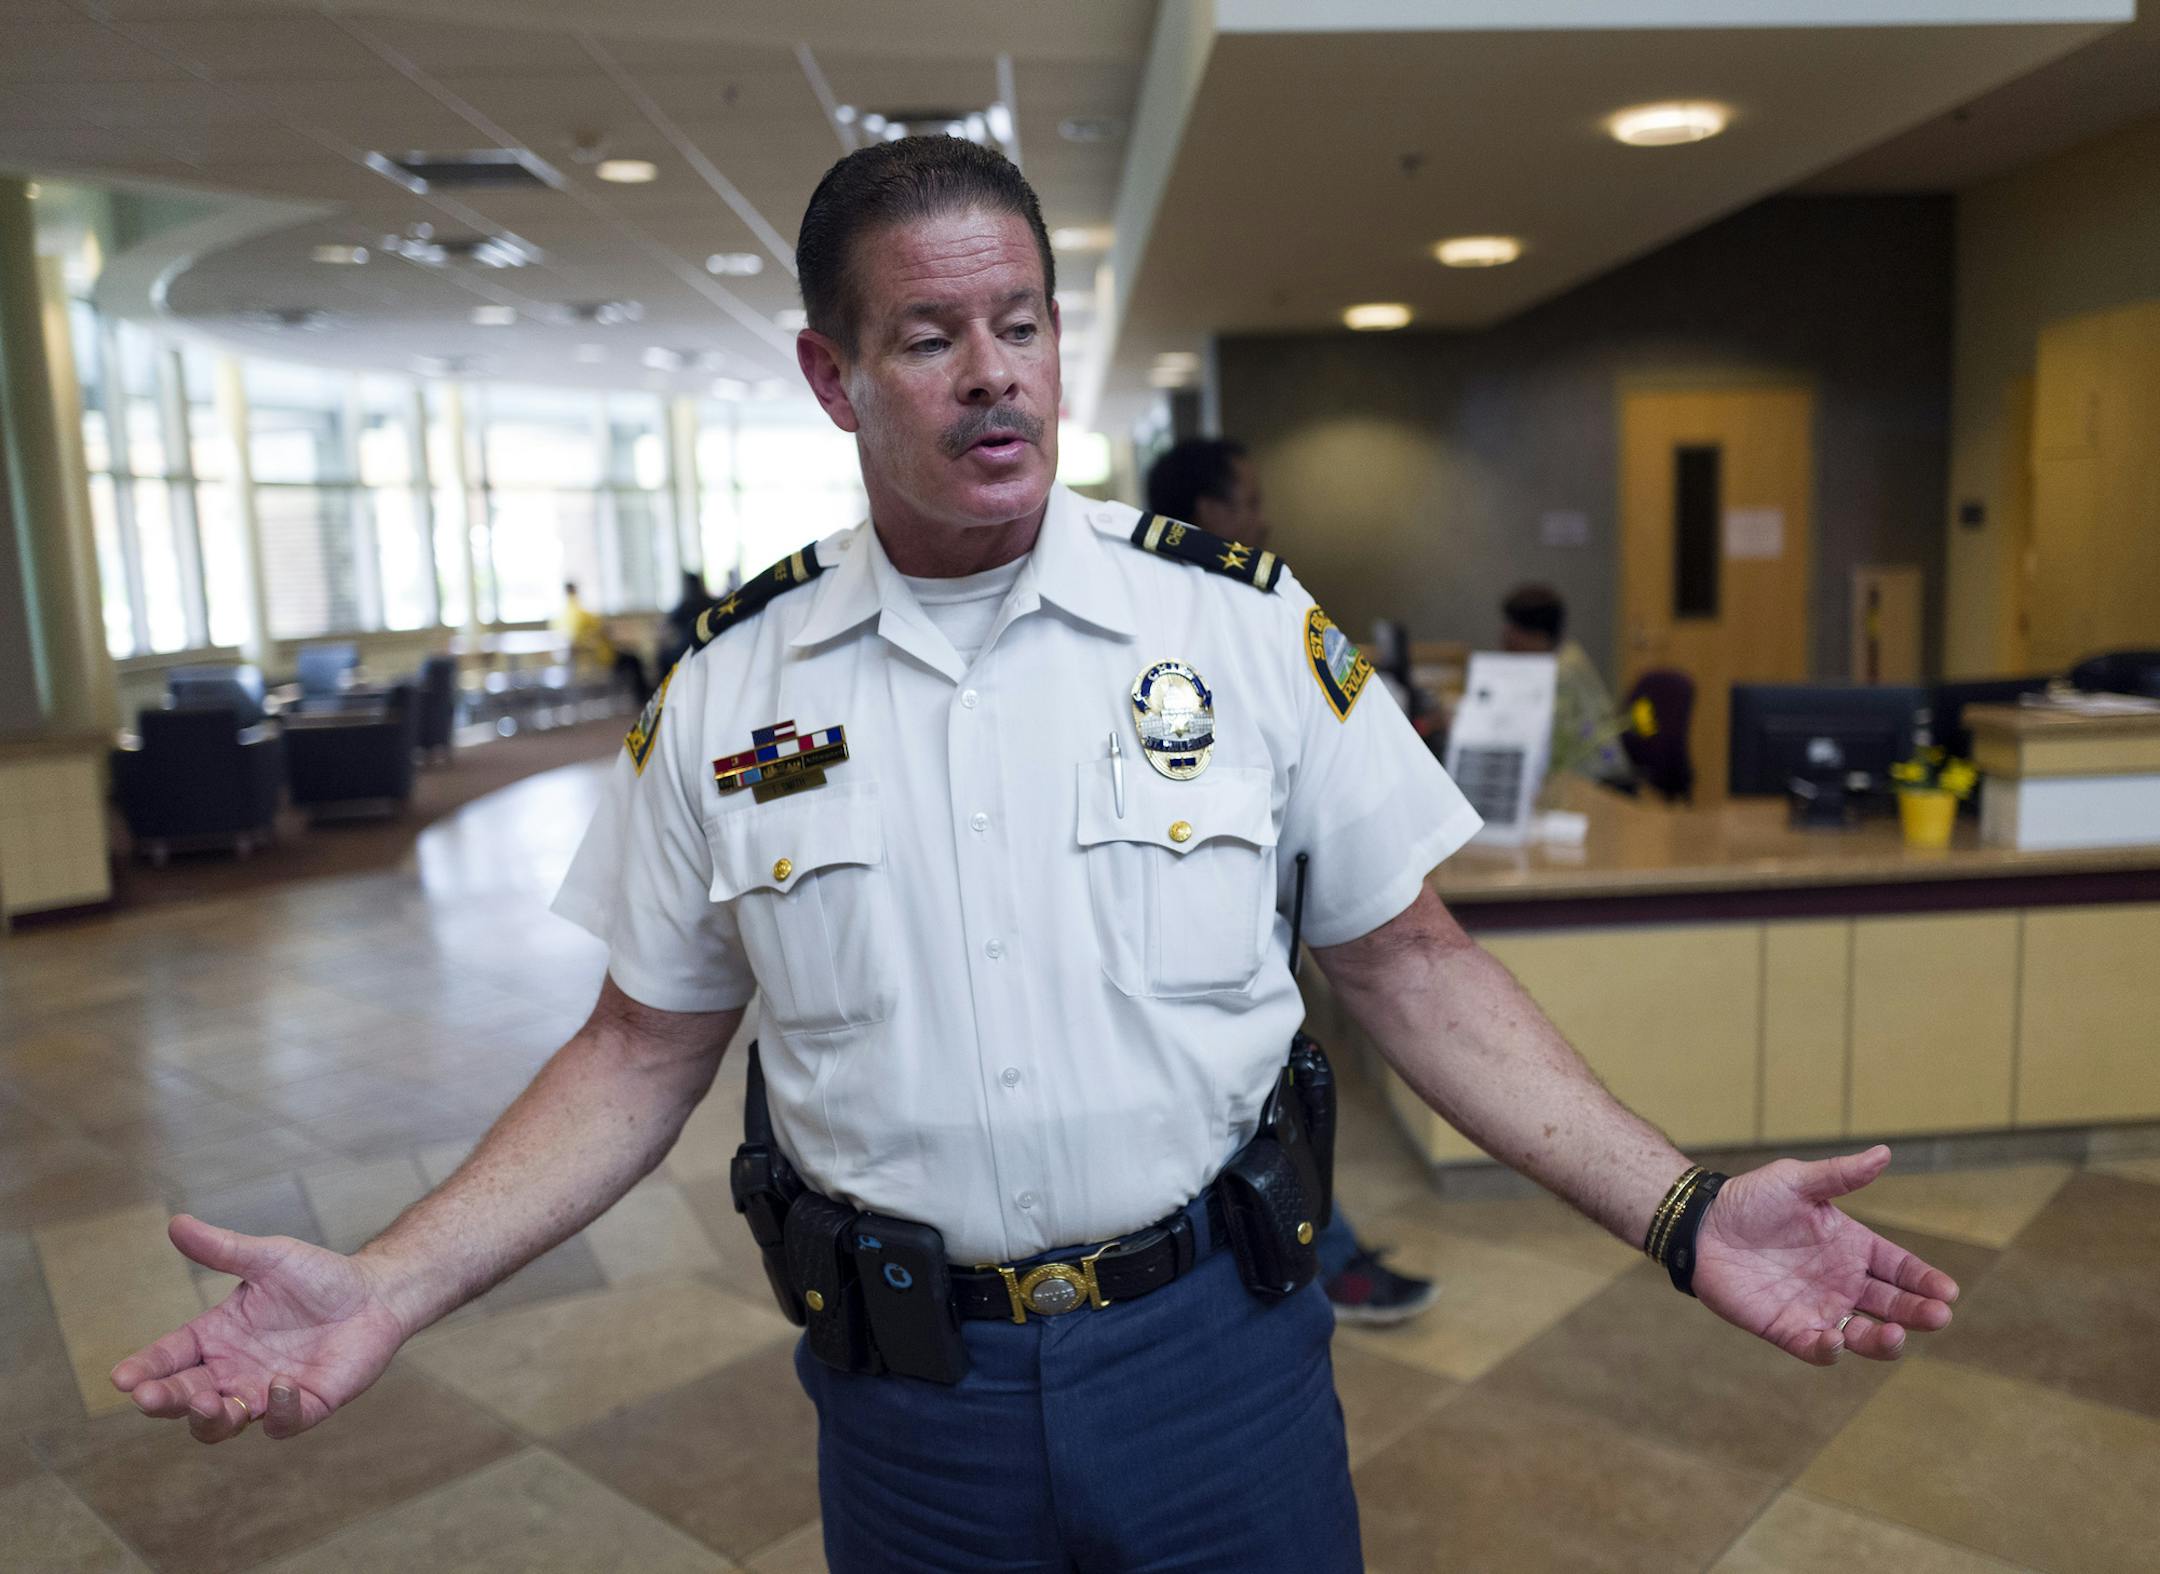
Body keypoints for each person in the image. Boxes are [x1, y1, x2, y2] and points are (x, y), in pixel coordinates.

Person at [110, 137, 1959, 1572]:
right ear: (834, 377)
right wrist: (391, 1276)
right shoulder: (730, 692)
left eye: (1023, 325)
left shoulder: (1235, 629)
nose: (994, 377)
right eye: (929, 337)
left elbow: (1420, 968)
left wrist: (1685, 1206)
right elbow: (637, 1050)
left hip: (1220, 1356)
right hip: (911, 1403)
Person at [1146, 435, 1438, 1327]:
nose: (1260, 518)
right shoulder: (1148, 632)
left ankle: (1321, 1251)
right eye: (1246, 500)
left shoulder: (1253, 617)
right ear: (1204, 510)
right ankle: (1322, 1256)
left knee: (1274, 1094)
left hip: (1256, 913)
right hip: (1181, 937)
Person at [1501, 581, 1635, 789]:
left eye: (1513, 628)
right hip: (1586, 773)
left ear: (1537, 635)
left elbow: (1532, 739)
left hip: (1595, 780)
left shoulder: (1559, 674)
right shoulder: (1568, 653)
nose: (1505, 637)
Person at [554, 579, 651, 705]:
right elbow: (603, 629)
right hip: (597, 658)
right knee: (634, 659)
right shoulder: (582, 613)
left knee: (629, 658)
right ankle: (642, 698)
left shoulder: (561, 616)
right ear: (575, 590)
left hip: (574, 662)